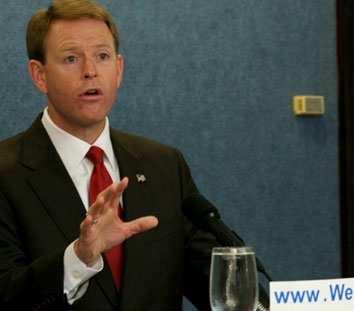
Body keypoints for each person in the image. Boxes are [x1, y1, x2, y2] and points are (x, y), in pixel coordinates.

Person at [0, 0, 270, 310]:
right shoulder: (7, 174)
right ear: (39, 75)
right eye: (71, 58)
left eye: (102, 56)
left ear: (118, 69)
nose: (90, 71)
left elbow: (215, 283)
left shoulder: (164, 166)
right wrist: (78, 258)